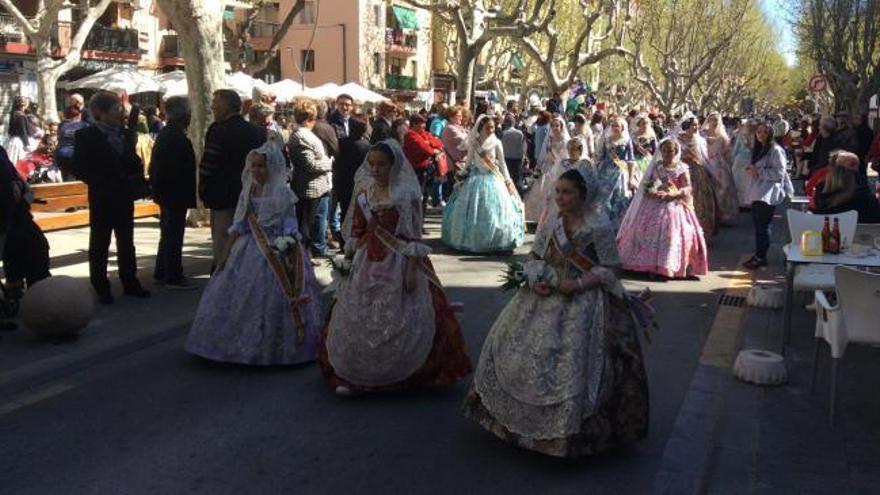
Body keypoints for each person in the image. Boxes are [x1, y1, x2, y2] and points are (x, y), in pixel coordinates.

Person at [462, 168, 649, 458]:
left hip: (585, 300)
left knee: (575, 365)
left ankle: (566, 435)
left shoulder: (598, 225)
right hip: (546, 292)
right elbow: (536, 257)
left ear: (583, 195)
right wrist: (535, 280)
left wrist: (577, 283)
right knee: (520, 353)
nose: (561, 197)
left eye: (568, 192)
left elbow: (612, 267)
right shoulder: (552, 221)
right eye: (558, 191)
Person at [319, 140, 472, 394]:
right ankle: (357, 374)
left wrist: (411, 270)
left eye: (382, 164)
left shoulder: (404, 195)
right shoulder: (364, 194)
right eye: (372, 164)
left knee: (414, 315)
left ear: (394, 165)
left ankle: (406, 374)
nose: (376, 169)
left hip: (400, 260)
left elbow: (413, 236)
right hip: (368, 260)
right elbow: (357, 229)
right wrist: (347, 262)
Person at [186, 138, 323, 365]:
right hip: (249, 247)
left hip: (277, 248)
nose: (258, 171)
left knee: (275, 299)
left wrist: (287, 246)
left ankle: (274, 346)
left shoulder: (282, 193)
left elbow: (290, 223)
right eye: (255, 166)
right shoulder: (248, 190)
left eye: (262, 166)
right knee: (240, 296)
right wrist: (225, 254)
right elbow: (239, 223)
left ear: (273, 167)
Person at [72, 92, 149, 304]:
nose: (120, 113)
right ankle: (101, 286)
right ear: (100, 113)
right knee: (100, 243)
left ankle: (130, 282)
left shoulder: (125, 133)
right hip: (102, 196)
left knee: (126, 242)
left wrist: (132, 160)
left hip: (123, 195)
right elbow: (80, 168)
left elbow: (133, 164)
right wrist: (102, 181)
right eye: (116, 109)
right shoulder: (86, 136)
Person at [617, 138, 708, 278]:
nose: (667, 154)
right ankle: (644, 263)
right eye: (664, 151)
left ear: (676, 151)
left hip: (674, 204)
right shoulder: (657, 166)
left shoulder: (682, 167)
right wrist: (651, 191)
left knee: (671, 232)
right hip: (654, 202)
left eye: (670, 151)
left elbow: (688, 188)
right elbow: (648, 183)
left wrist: (675, 194)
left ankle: (666, 265)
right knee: (642, 229)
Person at [200, 89, 267, 268]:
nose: (212, 107)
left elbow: (208, 166)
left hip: (223, 196)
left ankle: (221, 280)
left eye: (216, 103)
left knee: (223, 242)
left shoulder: (218, 130)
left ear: (227, 107)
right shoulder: (256, 131)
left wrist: (204, 191)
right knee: (248, 239)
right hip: (251, 194)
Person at [441, 115, 524, 253]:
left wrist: (508, 180)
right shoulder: (474, 143)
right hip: (476, 178)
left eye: (493, 127)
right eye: (488, 127)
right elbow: (468, 163)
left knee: (495, 212)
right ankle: (471, 240)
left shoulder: (497, 142)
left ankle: (495, 240)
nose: (491, 130)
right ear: (481, 128)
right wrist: (461, 176)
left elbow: (502, 163)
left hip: (493, 178)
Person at [149, 96, 196, 289]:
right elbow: (172, 169)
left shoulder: (168, 134)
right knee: (173, 235)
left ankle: (163, 271)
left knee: (168, 234)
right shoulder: (175, 137)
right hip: (173, 194)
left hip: (168, 193)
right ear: (183, 115)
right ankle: (173, 275)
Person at [0, 145, 50, 297]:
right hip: (4, 220)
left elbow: (25, 187)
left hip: (19, 216)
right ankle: (14, 290)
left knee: (38, 248)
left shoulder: (1, 153)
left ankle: (37, 292)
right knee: (12, 253)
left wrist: (25, 201)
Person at [288, 99, 333, 258]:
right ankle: (304, 257)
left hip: (316, 187)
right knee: (307, 226)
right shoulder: (301, 136)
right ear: (310, 118)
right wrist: (329, 163)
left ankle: (311, 253)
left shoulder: (303, 134)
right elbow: (310, 164)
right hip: (309, 188)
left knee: (314, 223)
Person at [742, 122, 788, 269]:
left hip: (767, 194)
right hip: (757, 192)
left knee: (762, 226)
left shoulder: (776, 150)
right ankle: (759, 254)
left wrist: (759, 172)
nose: (761, 135)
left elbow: (779, 173)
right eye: (759, 132)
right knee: (758, 226)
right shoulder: (759, 149)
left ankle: (761, 256)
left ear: (770, 134)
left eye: (764, 132)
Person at [525, 115, 570, 224]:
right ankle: (541, 217)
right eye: (553, 125)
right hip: (547, 168)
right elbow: (542, 154)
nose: (555, 128)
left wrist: (555, 157)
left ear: (561, 127)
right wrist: (538, 167)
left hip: (559, 169)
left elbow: (565, 157)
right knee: (543, 191)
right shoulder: (549, 139)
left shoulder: (565, 140)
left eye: (557, 126)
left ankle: (556, 217)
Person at [678, 115, 717, 238]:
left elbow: (704, 158)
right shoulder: (678, 139)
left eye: (697, 124)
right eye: (693, 125)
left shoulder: (700, 140)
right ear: (686, 126)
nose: (696, 127)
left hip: (698, 172)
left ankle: (701, 231)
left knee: (702, 201)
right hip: (683, 172)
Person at [813, 151, 880, 223]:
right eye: (852, 165)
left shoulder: (822, 188)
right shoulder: (860, 192)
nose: (856, 169)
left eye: (857, 165)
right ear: (838, 168)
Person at [595, 115, 635, 230]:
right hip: (605, 172)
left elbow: (631, 160)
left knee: (618, 199)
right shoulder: (606, 140)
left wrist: (631, 178)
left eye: (617, 125)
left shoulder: (627, 141)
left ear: (623, 127)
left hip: (619, 174)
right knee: (604, 199)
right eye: (613, 125)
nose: (615, 127)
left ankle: (616, 227)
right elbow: (600, 156)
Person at [703, 112, 739, 224]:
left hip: (719, 166)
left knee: (723, 189)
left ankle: (723, 215)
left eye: (716, 120)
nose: (714, 122)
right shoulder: (702, 134)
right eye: (711, 119)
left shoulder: (723, 137)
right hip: (705, 163)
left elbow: (727, 152)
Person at [402, 114, 445, 208]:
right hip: (417, 169)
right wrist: (431, 147)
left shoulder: (423, 134)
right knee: (418, 194)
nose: (424, 126)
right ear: (414, 124)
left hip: (427, 168)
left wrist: (428, 142)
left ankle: (422, 212)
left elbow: (439, 143)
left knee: (425, 193)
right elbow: (426, 150)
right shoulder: (410, 135)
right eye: (422, 124)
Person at [55, 105, 89, 181]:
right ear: (79, 114)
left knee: (68, 180)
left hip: (61, 155)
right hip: (76, 156)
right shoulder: (84, 125)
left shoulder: (62, 125)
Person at [731, 119, 756, 208]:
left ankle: (743, 202)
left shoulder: (742, 135)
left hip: (743, 160)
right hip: (747, 160)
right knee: (745, 182)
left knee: (742, 182)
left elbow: (736, 149)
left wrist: (732, 159)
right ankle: (746, 202)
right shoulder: (753, 136)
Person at [501, 114, 527, 196]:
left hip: (506, 158)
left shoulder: (503, 133)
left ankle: (508, 195)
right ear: (514, 122)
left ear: (505, 123)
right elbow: (523, 146)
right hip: (517, 158)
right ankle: (520, 196)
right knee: (518, 179)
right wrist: (523, 156)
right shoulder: (519, 133)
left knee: (507, 178)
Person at [631, 114, 658, 188]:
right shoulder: (633, 136)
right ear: (638, 125)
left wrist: (646, 153)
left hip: (648, 161)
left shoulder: (651, 137)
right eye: (643, 123)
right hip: (635, 161)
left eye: (647, 123)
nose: (645, 125)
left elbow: (655, 151)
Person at [6, 96, 31, 164]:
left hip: (13, 140)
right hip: (19, 142)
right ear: (24, 104)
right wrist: (26, 144)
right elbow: (23, 132)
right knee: (18, 164)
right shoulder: (20, 116)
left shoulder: (15, 113)